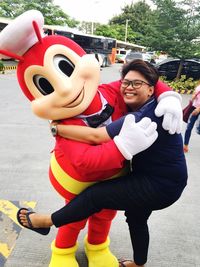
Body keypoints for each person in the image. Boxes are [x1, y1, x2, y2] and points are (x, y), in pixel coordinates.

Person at [17, 59, 188, 267]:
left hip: (158, 185)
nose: (128, 88)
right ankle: (139, 263)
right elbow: (133, 85)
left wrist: (57, 129)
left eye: (137, 84)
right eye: (126, 82)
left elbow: (96, 136)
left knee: (95, 197)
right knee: (136, 218)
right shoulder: (151, 102)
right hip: (163, 179)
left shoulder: (145, 115)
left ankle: (45, 221)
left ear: (151, 90)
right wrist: (167, 93)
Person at [183, 84, 200, 153]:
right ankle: (185, 145)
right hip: (194, 108)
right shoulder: (198, 87)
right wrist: (193, 98)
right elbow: (193, 97)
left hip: (198, 109)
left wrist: (199, 109)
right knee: (189, 127)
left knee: (199, 129)